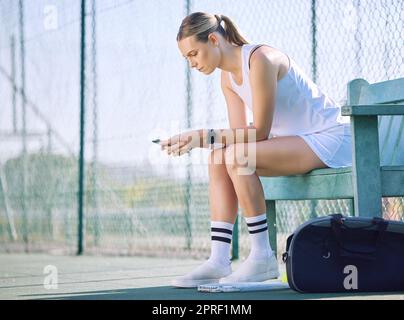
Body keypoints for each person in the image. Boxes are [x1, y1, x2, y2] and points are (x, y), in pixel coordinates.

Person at [160, 12, 352, 288]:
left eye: (194, 54)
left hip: (330, 138)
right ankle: (219, 259)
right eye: (187, 58)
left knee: (239, 156)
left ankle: (262, 256)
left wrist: (202, 135)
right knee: (218, 157)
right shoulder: (227, 78)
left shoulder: (260, 59)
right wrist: (204, 141)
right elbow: (237, 136)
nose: (192, 63)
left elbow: (259, 131)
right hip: (296, 140)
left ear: (213, 39)